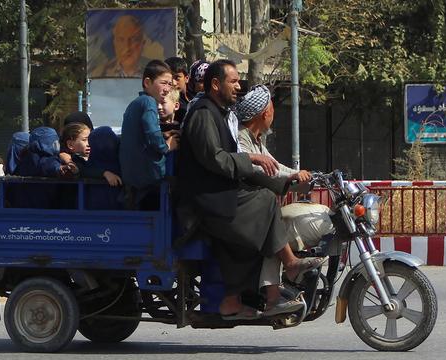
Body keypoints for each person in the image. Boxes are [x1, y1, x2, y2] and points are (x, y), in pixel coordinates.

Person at [177, 59, 323, 319]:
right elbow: (215, 158)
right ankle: (289, 265)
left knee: (254, 227)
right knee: (266, 202)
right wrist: (252, 160)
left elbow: (262, 165)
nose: (237, 86)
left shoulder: (220, 113)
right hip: (203, 201)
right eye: (232, 81)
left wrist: (286, 179)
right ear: (215, 84)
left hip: (217, 194)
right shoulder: (203, 114)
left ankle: (233, 302)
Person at [234, 84, 330, 310]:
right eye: (273, 109)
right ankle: (276, 291)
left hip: (251, 205)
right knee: (277, 228)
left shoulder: (254, 139)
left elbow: (276, 166)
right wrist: (294, 177)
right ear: (265, 113)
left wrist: (303, 175)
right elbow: (261, 170)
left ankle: (288, 278)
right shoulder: (241, 139)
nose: (273, 114)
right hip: (242, 208)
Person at [119, 60, 180, 210]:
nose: (167, 89)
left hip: (132, 174)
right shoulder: (148, 103)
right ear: (147, 82)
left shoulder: (136, 102)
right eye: (163, 83)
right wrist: (167, 145)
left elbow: (143, 134)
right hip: (147, 174)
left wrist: (163, 134)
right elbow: (153, 136)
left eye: (170, 85)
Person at [164, 56, 190, 122]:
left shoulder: (193, 97)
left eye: (177, 78)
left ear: (186, 78)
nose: (173, 83)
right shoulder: (163, 101)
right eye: (169, 78)